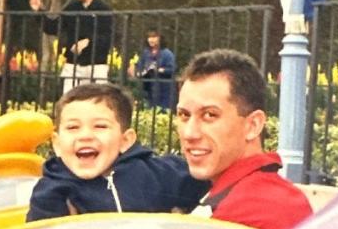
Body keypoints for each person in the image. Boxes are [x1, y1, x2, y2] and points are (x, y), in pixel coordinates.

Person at [176, 48, 313, 229]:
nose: (190, 133)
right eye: (184, 115)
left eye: (209, 115)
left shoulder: (258, 208)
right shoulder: (246, 192)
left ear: (253, 125)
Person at [26, 83, 208, 221]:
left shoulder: (155, 174)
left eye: (100, 126)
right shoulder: (52, 191)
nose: (85, 135)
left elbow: (215, 184)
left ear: (125, 140)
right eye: (73, 127)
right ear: (57, 144)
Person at [29, 0, 113, 93]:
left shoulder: (104, 9)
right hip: (74, 64)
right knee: (68, 99)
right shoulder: (72, 8)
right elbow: (52, 27)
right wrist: (38, 11)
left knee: (96, 101)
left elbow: (107, 37)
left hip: (96, 64)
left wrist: (89, 41)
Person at [128, 29, 177, 109]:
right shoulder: (146, 53)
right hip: (149, 87)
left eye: (154, 37)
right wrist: (136, 72)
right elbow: (139, 66)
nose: (151, 39)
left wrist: (159, 70)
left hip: (164, 88)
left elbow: (172, 69)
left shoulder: (167, 53)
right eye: (149, 37)